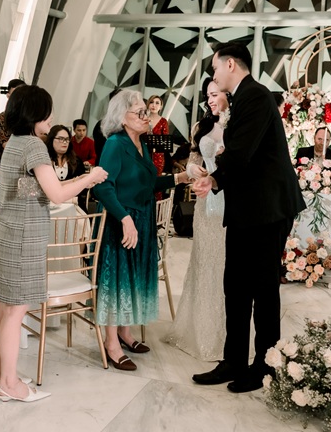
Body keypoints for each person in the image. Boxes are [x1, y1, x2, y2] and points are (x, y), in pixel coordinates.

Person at [191, 43, 305, 393]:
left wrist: (213, 179)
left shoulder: (255, 96)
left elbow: (240, 153)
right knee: (236, 286)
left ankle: (265, 366)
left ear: (230, 65)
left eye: (215, 68)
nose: (213, 76)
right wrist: (216, 178)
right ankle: (234, 361)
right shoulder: (243, 98)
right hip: (248, 209)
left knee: (263, 289)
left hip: (267, 210)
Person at [0, 85, 108, 403]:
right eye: (47, 111)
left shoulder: (14, 143)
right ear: (34, 113)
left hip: (8, 231)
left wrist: (75, 180)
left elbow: (30, 190)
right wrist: (90, 178)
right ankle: (9, 383)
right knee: (15, 311)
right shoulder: (35, 147)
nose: (52, 117)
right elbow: (56, 195)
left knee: (4, 307)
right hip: (24, 237)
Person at [91, 90, 189, 372]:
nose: (147, 117)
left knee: (132, 279)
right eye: (140, 112)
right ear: (122, 117)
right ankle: (111, 343)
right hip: (121, 221)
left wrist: (181, 177)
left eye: (146, 111)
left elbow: (148, 183)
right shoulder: (115, 144)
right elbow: (103, 187)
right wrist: (124, 218)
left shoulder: (141, 143)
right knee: (117, 281)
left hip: (142, 218)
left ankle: (125, 333)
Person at [163, 78, 229, 361]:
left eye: (215, 94)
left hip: (229, 202)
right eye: (208, 95)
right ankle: (197, 330)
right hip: (205, 202)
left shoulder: (239, 125)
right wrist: (192, 169)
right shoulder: (201, 126)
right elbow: (194, 159)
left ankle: (224, 335)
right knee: (203, 261)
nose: (210, 100)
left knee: (225, 265)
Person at [0, 79, 26, 170]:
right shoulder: (2, 118)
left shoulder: (32, 117)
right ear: (8, 96)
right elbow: (7, 145)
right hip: (8, 165)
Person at [146, 95, 170, 176]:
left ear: (161, 107)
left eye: (157, 103)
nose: (154, 105)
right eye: (151, 102)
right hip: (142, 154)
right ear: (148, 104)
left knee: (155, 179)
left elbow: (165, 142)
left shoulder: (163, 121)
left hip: (158, 157)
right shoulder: (142, 119)